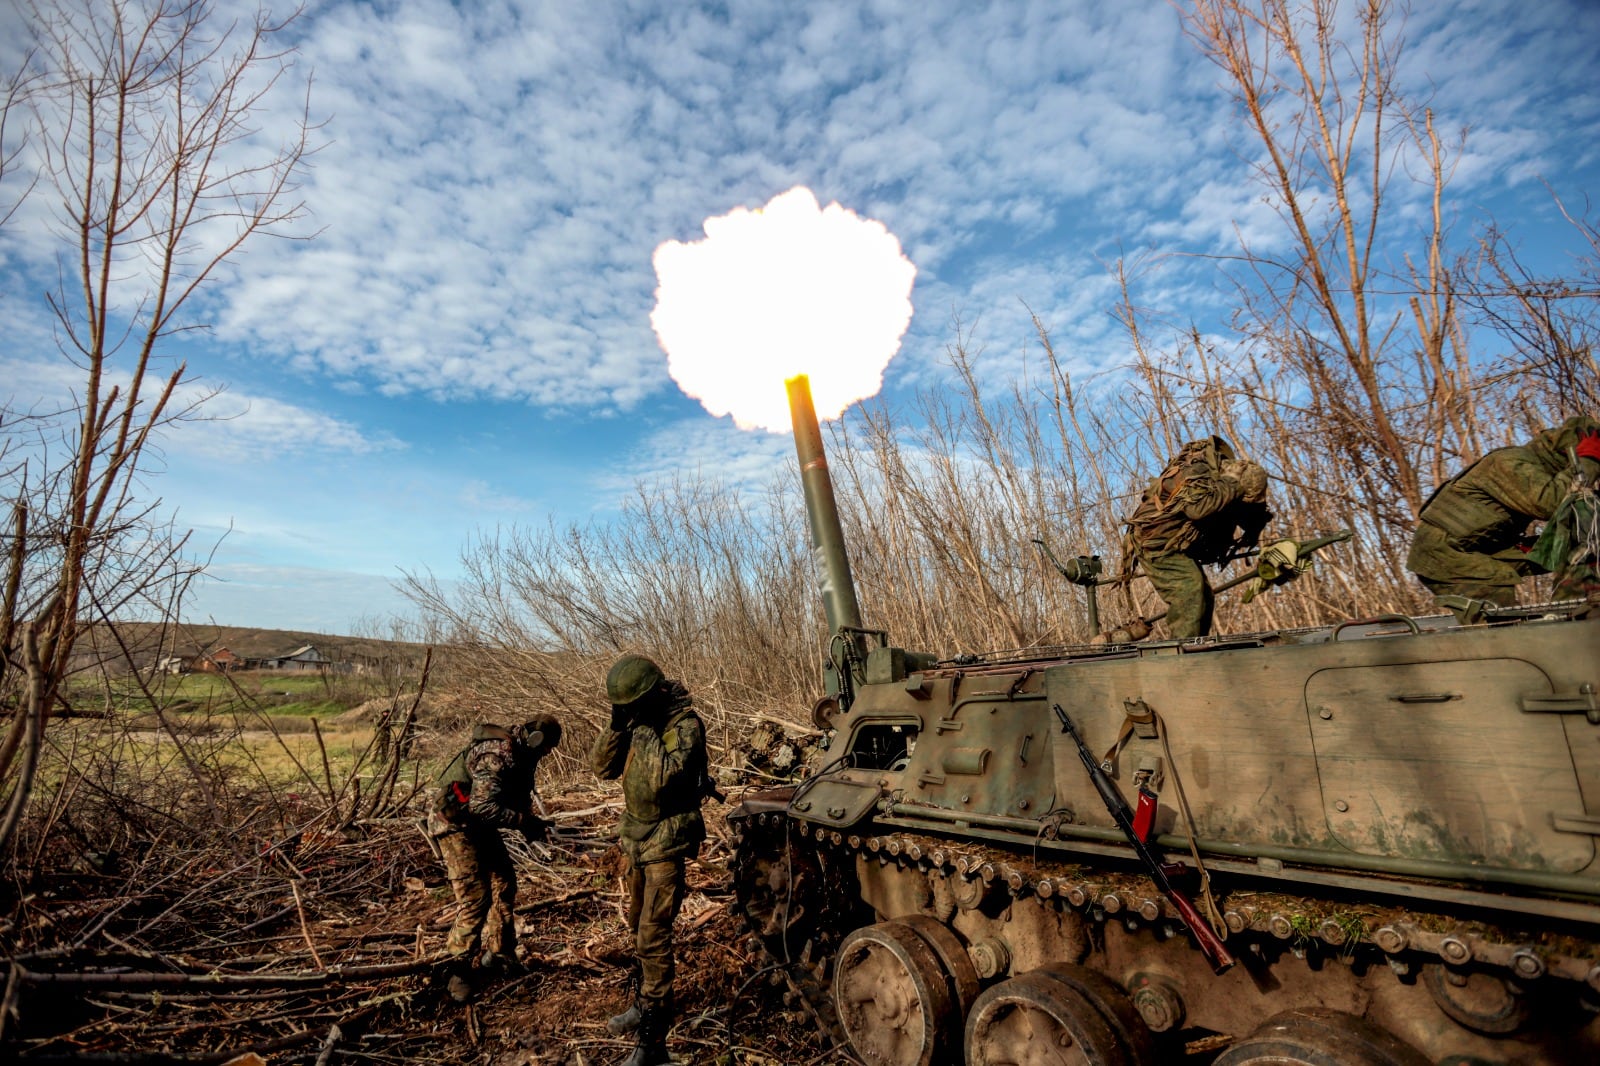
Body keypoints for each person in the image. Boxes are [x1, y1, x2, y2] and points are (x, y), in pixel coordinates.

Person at [591, 655, 709, 1066]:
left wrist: (641, 729)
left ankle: (653, 1042)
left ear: (655, 693)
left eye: (634, 705)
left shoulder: (685, 726)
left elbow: (660, 783)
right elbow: (602, 768)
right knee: (637, 926)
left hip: (666, 842)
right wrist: (616, 726)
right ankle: (643, 1004)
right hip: (637, 840)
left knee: (653, 937)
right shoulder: (638, 723)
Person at [1408, 415, 1600, 620]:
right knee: (1503, 620)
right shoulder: (1509, 462)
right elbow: (1551, 503)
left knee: (1581, 544)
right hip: (1444, 555)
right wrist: (1588, 462)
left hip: (1485, 548)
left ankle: (1577, 612)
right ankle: (1562, 626)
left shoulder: (1540, 469)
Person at [428, 715, 561, 1003]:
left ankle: (500, 952)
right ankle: (457, 969)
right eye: (546, 748)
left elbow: (513, 798)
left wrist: (531, 824)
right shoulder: (496, 755)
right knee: (475, 898)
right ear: (536, 740)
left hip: (477, 824)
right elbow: (482, 807)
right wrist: (522, 822)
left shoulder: (522, 755)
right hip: (454, 825)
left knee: (504, 881)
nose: (547, 754)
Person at [1123, 435, 1272, 639]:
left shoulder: (1220, 480)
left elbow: (1242, 512)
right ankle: (1182, 650)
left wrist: (1257, 523)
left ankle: (1196, 645)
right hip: (1155, 542)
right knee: (1189, 590)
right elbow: (1197, 510)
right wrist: (1233, 484)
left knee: (1204, 596)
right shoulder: (1197, 471)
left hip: (1174, 542)